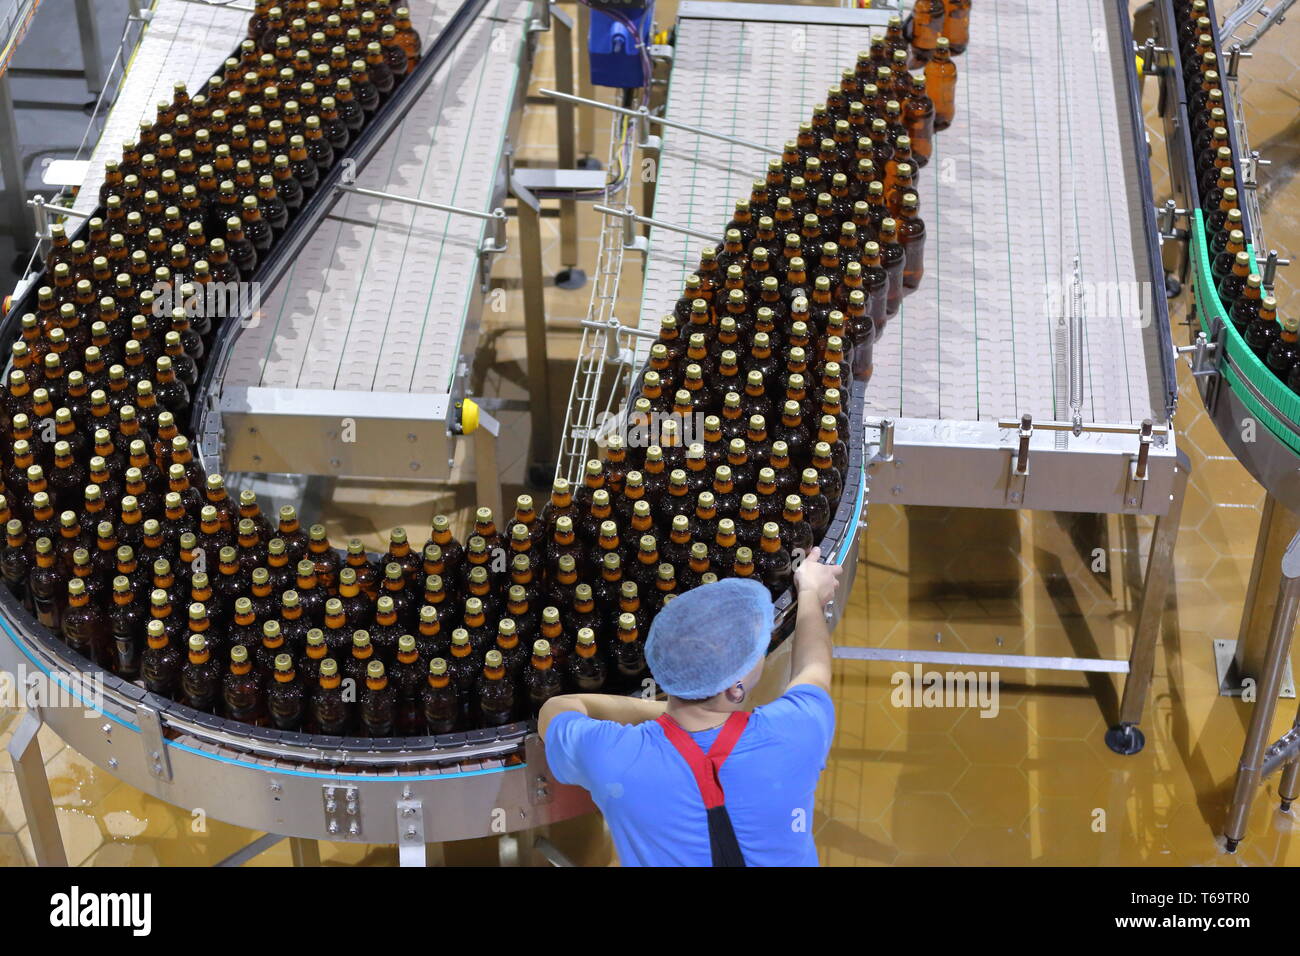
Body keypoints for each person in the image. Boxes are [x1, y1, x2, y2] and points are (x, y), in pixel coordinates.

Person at [539, 546, 842, 866]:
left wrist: (664, 717)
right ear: (734, 687)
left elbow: (555, 709)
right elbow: (814, 669)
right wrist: (810, 591)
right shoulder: (795, 731)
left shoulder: (613, 756)